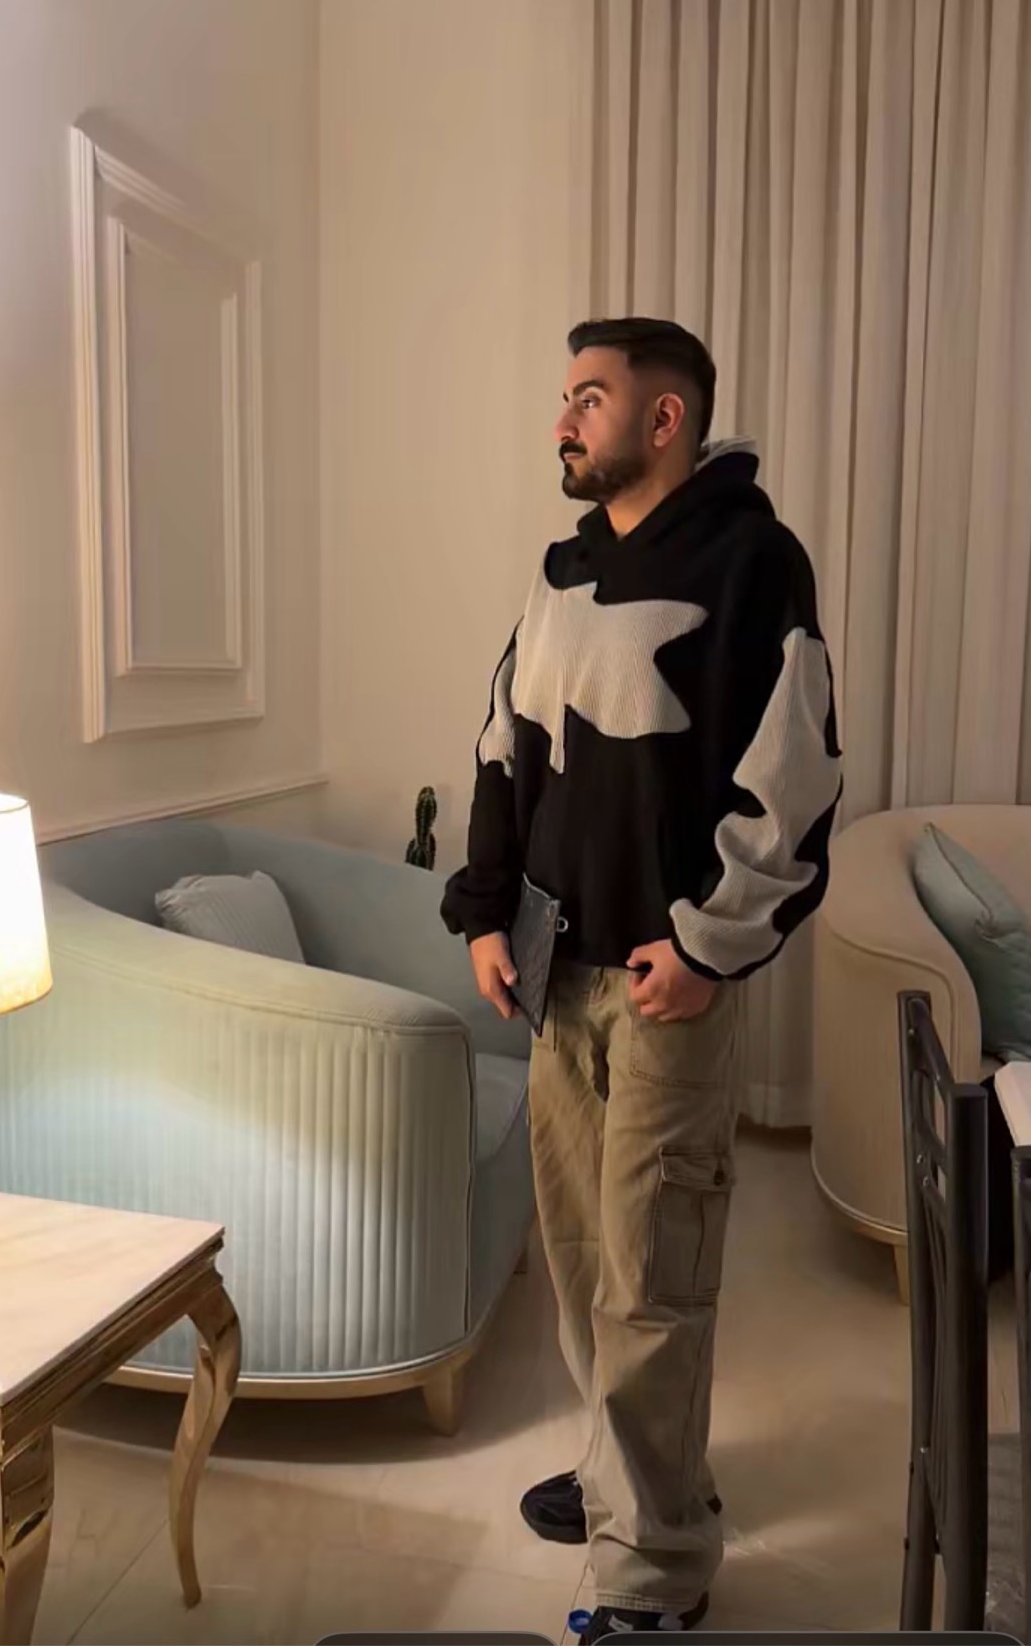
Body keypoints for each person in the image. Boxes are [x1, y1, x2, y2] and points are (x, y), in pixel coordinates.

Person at [441, 317, 842, 1642]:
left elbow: (793, 776)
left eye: (588, 399)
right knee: (577, 1256)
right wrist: (487, 909)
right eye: (564, 398)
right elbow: (505, 747)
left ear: (664, 420)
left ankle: (654, 1568)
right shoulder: (562, 569)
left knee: (655, 1269)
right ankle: (630, 1475)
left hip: (669, 985)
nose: (562, 422)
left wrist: (716, 941)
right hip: (557, 969)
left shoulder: (755, 563)